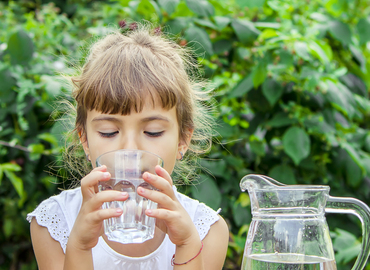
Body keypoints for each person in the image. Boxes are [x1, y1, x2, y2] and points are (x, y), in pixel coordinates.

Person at [27, 23, 229, 270]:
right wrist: (79, 247)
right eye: (109, 132)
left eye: (152, 132)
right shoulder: (56, 222)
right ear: (85, 139)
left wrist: (186, 244)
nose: (129, 150)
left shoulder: (206, 230)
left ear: (183, 140)